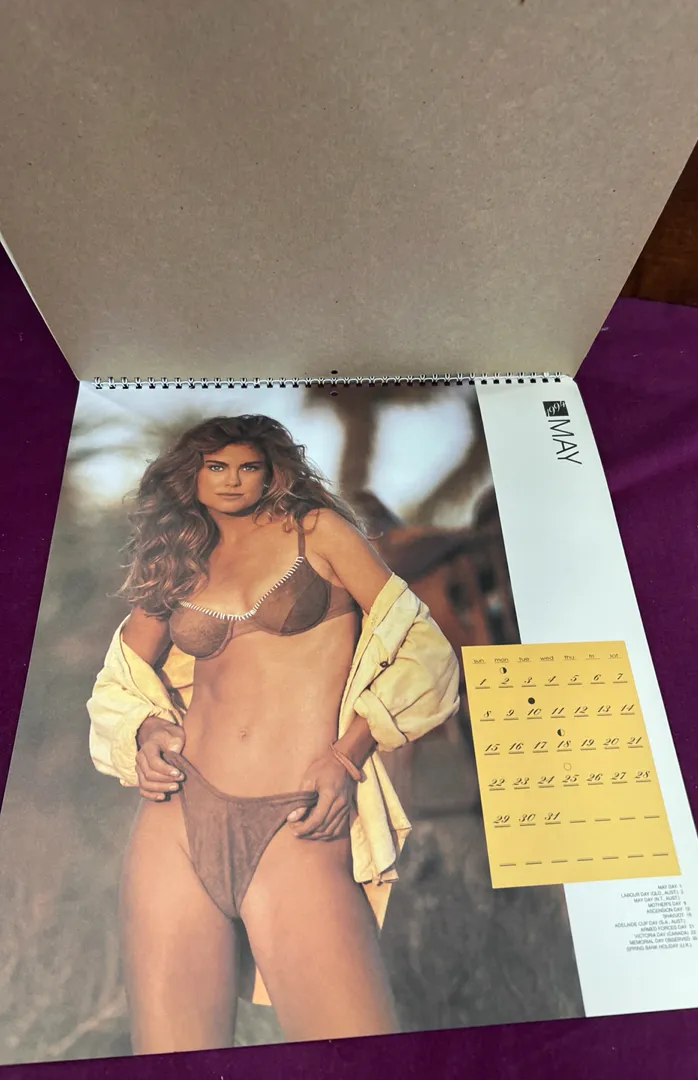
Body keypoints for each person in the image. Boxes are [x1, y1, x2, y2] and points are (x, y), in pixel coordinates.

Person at [86, 414, 459, 1053]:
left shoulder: (318, 533)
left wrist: (347, 757)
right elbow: (118, 675)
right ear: (192, 475)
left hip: (298, 820)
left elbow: (425, 651)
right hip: (177, 818)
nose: (232, 480)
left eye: (247, 467)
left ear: (271, 472)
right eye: (217, 467)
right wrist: (143, 730)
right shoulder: (180, 558)